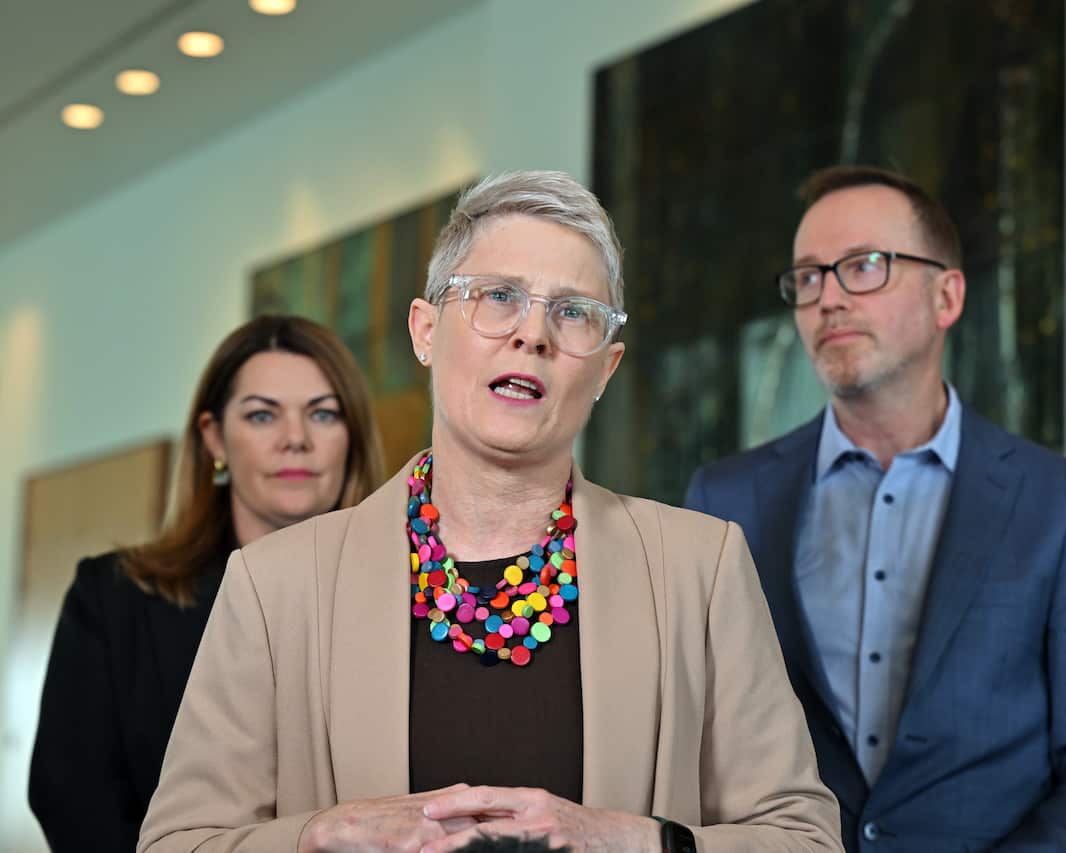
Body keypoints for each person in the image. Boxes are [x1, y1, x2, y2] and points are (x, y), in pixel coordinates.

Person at [138, 171, 843, 853]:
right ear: (424, 329)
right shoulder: (275, 584)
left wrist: (635, 838)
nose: (533, 334)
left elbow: (804, 837)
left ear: (605, 367)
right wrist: (317, 834)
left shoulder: (700, 566)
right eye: (498, 296)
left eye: (573, 313)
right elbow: (176, 842)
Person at [685, 165, 1066, 851]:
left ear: (948, 295)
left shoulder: (1059, 503)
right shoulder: (727, 500)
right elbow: (692, 751)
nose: (829, 298)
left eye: (864, 266)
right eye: (809, 277)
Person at [29, 315, 386, 853]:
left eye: (324, 414)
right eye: (263, 415)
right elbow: (73, 800)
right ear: (214, 437)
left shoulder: (405, 599)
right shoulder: (114, 596)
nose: (296, 439)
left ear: (352, 438)